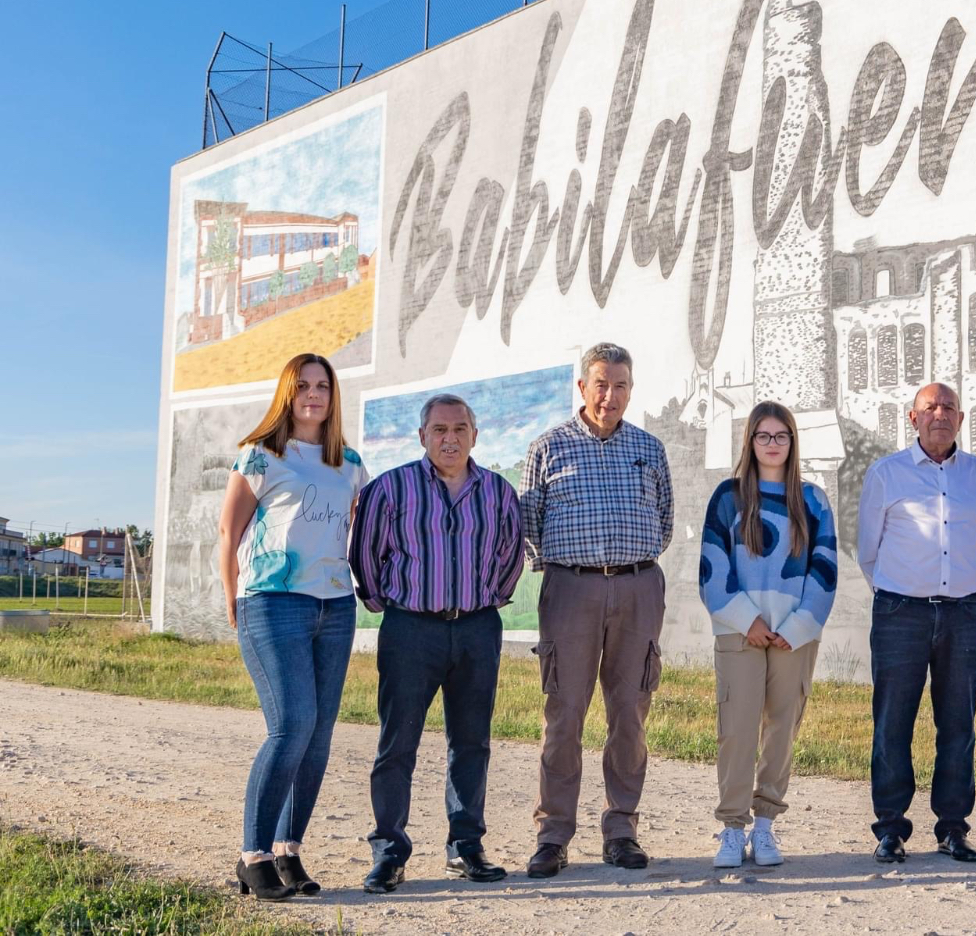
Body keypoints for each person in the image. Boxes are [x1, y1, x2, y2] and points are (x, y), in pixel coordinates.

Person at [349, 394, 526, 894]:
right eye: (440, 430)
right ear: (422, 435)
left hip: (476, 628)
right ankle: (389, 852)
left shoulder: (498, 491)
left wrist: (486, 600)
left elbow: (511, 554)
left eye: (460, 429)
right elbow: (365, 554)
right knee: (397, 742)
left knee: (471, 742)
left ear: (475, 435)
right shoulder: (390, 488)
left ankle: (465, 847)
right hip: (410, 630)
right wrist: (387, 601)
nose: (450, 439)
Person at [519, 343, 674, 878]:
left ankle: (621, 830)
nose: (610, 395)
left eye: (621, 385)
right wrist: (574, 570)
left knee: (630, 713)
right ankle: (553, 835)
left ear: (631, 389)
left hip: (638, 587)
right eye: (601, 384)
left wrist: (627, 568)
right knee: (564, 715)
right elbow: (530, 523)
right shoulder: (547, 448)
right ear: (583, 387)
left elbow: (665, 521)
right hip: (571, 590)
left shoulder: (649, 449)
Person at [218, 353, 367, 900]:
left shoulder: (350, 463)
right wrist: (233, 596)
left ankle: (287, 851)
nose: (314, 394)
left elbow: (360, 533)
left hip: (336, 607)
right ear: (288, 392)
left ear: (333, 395)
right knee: (292, 725)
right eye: (303, 385)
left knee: (319, 735)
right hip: (273, 602)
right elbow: (228, 532)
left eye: (323, 386)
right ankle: (252, 855)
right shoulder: (261, 455)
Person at [857, 382, 976, 865]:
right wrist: (902, 588)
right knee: (892, 723)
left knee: (959, 724)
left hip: (965, 612)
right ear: (913, 418)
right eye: (930, 407)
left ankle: (953, 828)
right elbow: (868, 549)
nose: (939, 414)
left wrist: (963, 584)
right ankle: (890, 829)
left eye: (948, 407)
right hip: (900, 612)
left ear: (960, 419)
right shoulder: (886, 474)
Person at [698, 401, 839, 868]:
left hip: (792, 635)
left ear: (792, 441)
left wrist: (796, 627)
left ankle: (764, 826)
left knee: (781, 729)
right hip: (740, 631)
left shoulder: (813, 500)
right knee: (737, 730)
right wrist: (747, 620)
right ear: (751, 441)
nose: (772, 444)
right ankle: (732, 827)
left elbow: (825, 569)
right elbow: (712, 568)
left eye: (781, 436)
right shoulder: (729, 496)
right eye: (764, 436)